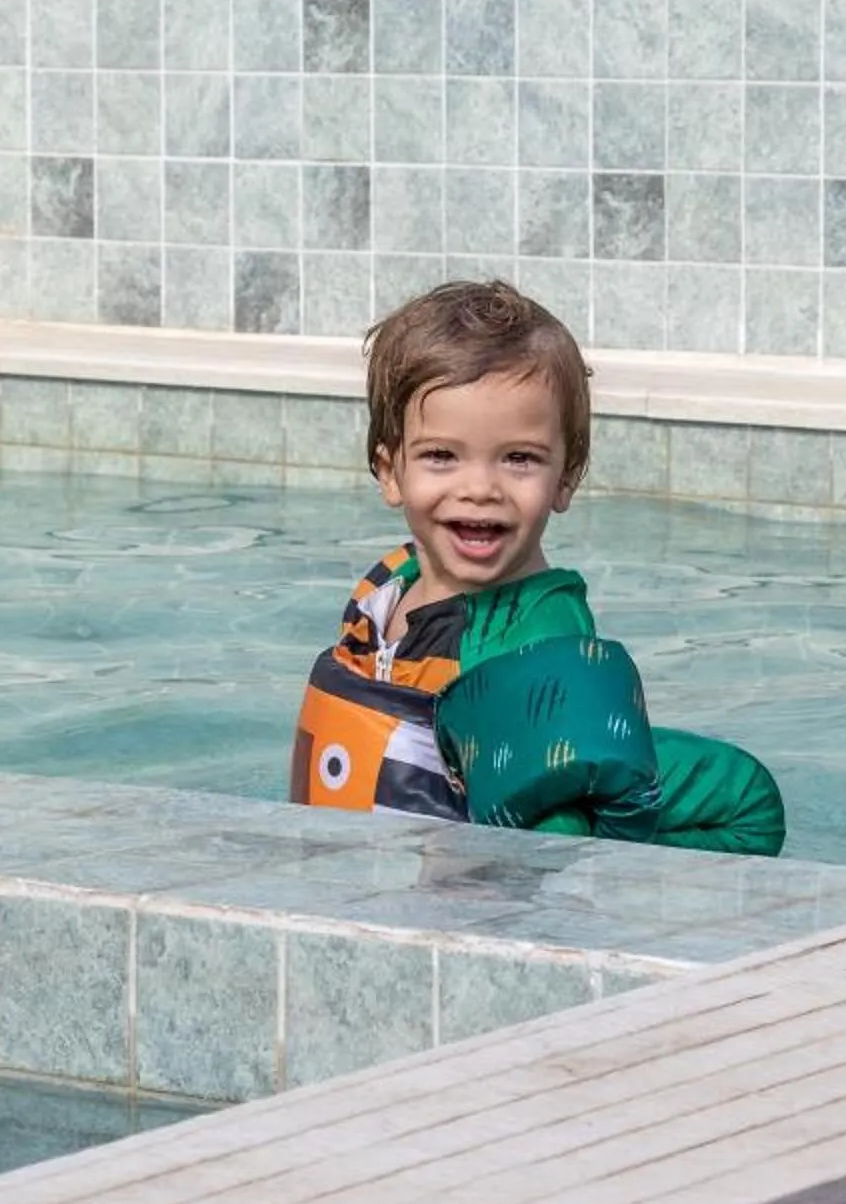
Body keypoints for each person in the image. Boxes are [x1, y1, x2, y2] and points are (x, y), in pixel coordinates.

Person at [289, 278, 785, 855]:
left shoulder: (533, 635)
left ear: (566, 478)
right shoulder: (390, 584)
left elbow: (548, 855)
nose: (480, 488)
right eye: (441, 456)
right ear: (391, 472)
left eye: (519, 458)